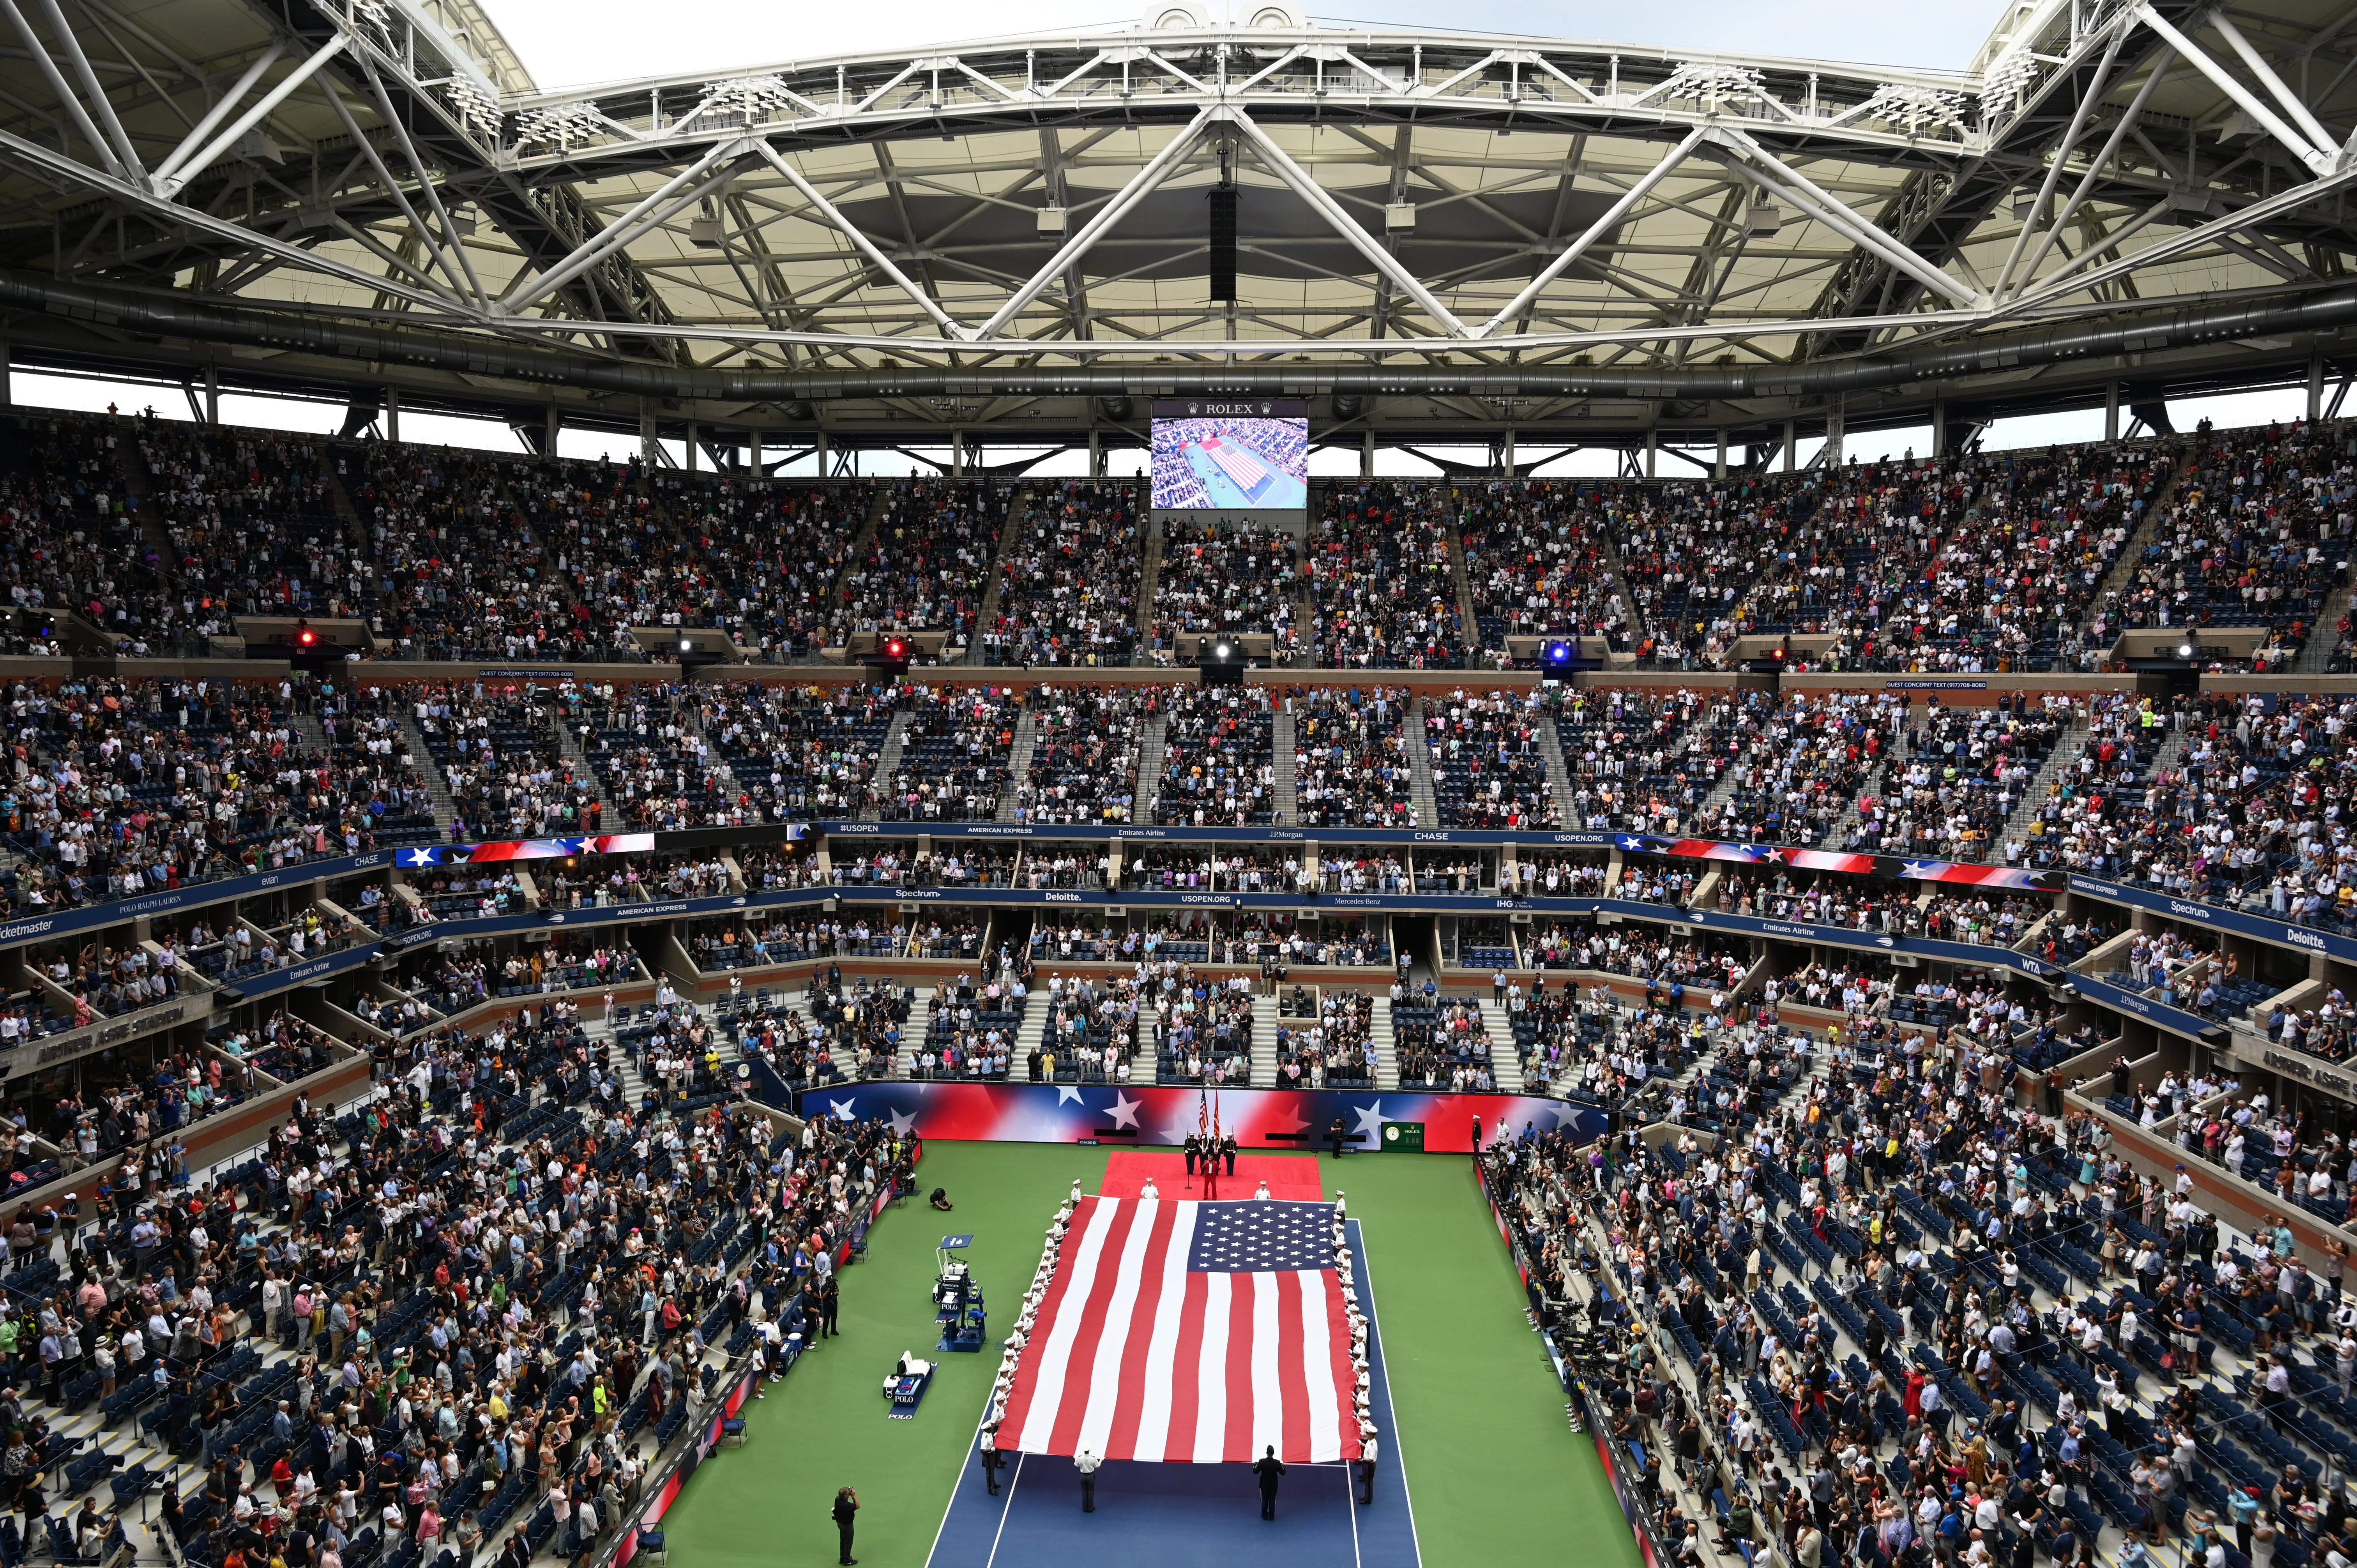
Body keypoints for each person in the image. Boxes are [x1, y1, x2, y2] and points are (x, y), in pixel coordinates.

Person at [1253, 1445, 1285, 1520]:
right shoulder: (1277, 1463)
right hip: (1274, 1486)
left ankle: (1264, 1516)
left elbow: (1255, 1471)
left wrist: (1255, 1465)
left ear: (1267, 1453)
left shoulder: (1262, 1462)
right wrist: (1283, 1466)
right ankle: (1271, 1516)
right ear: (1273, 1453)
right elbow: (1283, 1473)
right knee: (1272, 1501)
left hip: (1264, 1486)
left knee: (1264, 1500)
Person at [832, 1487, 859, 1565]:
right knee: (848, 1543)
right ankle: (847, 1561)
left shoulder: (837, 1499)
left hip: (840, 1524)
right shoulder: (847, 1505)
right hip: (847, 1526)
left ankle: (842, 1558)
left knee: (843, 1541)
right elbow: (858, 1506)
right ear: (846, 1497)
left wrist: (849, 1495)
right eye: (848, 1493)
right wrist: (854, 1496)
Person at [1076, 1447, 1100, 1512]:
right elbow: (1098, 1467)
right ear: (1089, 1451)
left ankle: (1085, 1508)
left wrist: (1076, 1458)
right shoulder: (1093, 1459)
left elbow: (1076, 1465)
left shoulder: (1080, 1458)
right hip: (1091, 1476)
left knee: (1084, 1492)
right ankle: (1090, 1508)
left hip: (1083, 1476)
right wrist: (1101, 1460)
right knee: (1090, 1492)